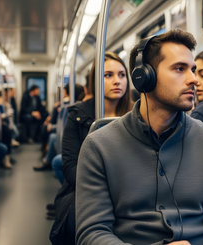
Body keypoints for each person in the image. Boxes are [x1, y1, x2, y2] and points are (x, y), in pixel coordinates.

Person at [74, 30, 203, 244]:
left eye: (193, 70)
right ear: (145, 77)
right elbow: (92, 232)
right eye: (179, 69)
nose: (193, 79)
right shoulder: (99, 146)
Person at [50, 51, 133, 244]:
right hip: (89, 187)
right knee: (73, 221)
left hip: (131, 186)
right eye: (108, 75)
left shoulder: (137, 112)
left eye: (122, 75)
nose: (117, 81)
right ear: (95, 80)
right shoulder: (78, 114)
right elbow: (70, 166)